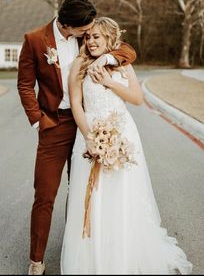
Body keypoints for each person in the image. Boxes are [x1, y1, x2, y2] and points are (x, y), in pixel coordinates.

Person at [60, 17, 193, 274]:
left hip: (123, 135)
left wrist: (110, 82)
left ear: (110, 38)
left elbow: (137, 98)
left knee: (121, 193)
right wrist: (89, 136)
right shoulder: (79, 64)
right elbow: (76, 103)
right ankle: (93, 255)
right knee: (92, 195)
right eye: (88, 37)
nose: (91, 41)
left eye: (97, 37)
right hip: (90, 135)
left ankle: (122, 250)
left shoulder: (122, 63)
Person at [17, 0, 137, 275]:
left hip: (90, 124)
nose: (90, 35)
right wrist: (38, 121)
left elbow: (127, 50)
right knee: (45, 194)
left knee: (85, 189)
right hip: (54, 125)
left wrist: (109, 55)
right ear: (69, 25)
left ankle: (80, 250)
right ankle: (36, 260)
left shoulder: (88, 34)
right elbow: (24, 85)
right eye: (85, 31)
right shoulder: (35, 40)